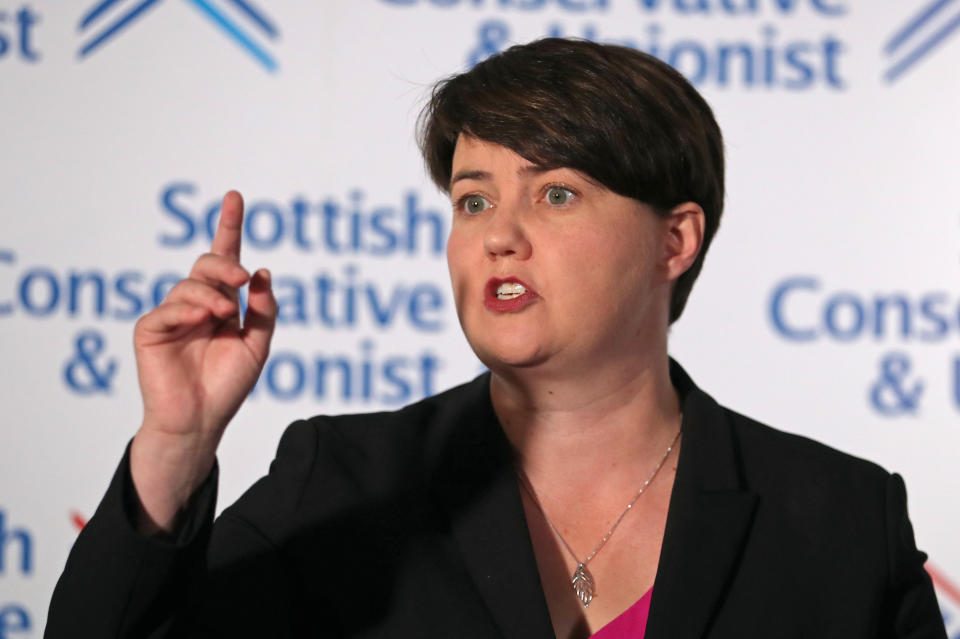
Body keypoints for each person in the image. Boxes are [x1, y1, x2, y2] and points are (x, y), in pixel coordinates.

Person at [46, 38, 945, 639]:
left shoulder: (841, 518)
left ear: (675, 239)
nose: (496, 235)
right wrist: (174, 447)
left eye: (555, 193)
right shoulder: (345, 476)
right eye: (473, 198)